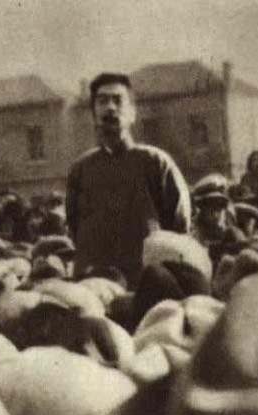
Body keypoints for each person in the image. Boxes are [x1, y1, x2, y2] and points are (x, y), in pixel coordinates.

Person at [66, 72, 191, 288]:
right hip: (95, 286)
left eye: (118, 100)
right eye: (102, 101)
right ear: (93, 114)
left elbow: (179, 227)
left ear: (132, 113)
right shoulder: (80, 170)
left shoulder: (156, 162)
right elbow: (75, 228)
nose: (110, 107)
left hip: (146, 285)